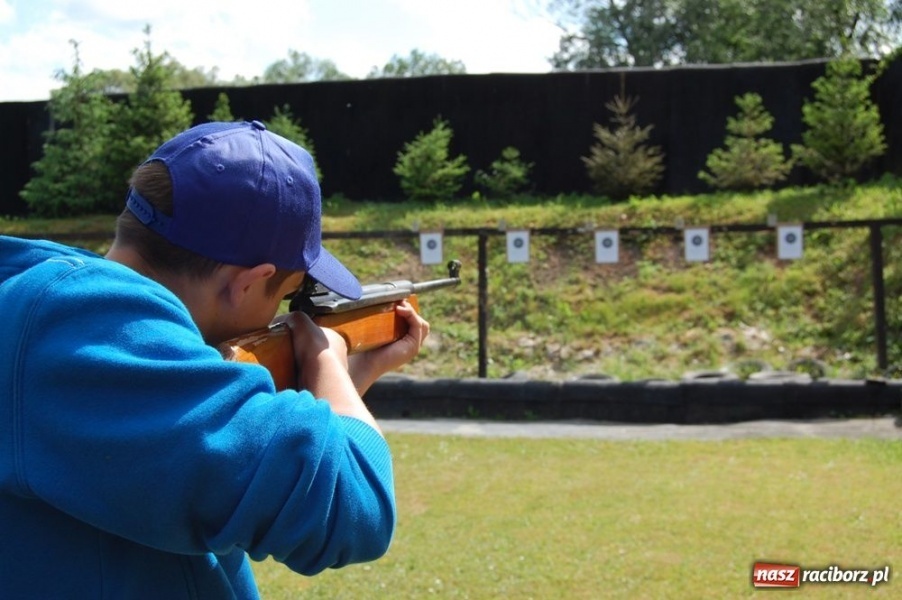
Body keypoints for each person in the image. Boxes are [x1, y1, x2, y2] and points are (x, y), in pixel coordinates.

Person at [0, 120, 430, 599]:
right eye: (287, 296)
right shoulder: (89, 324)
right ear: (245, 282)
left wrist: (352, 378)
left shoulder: (50, 311)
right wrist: (327, 358)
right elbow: (357, 508)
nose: (282, 314)